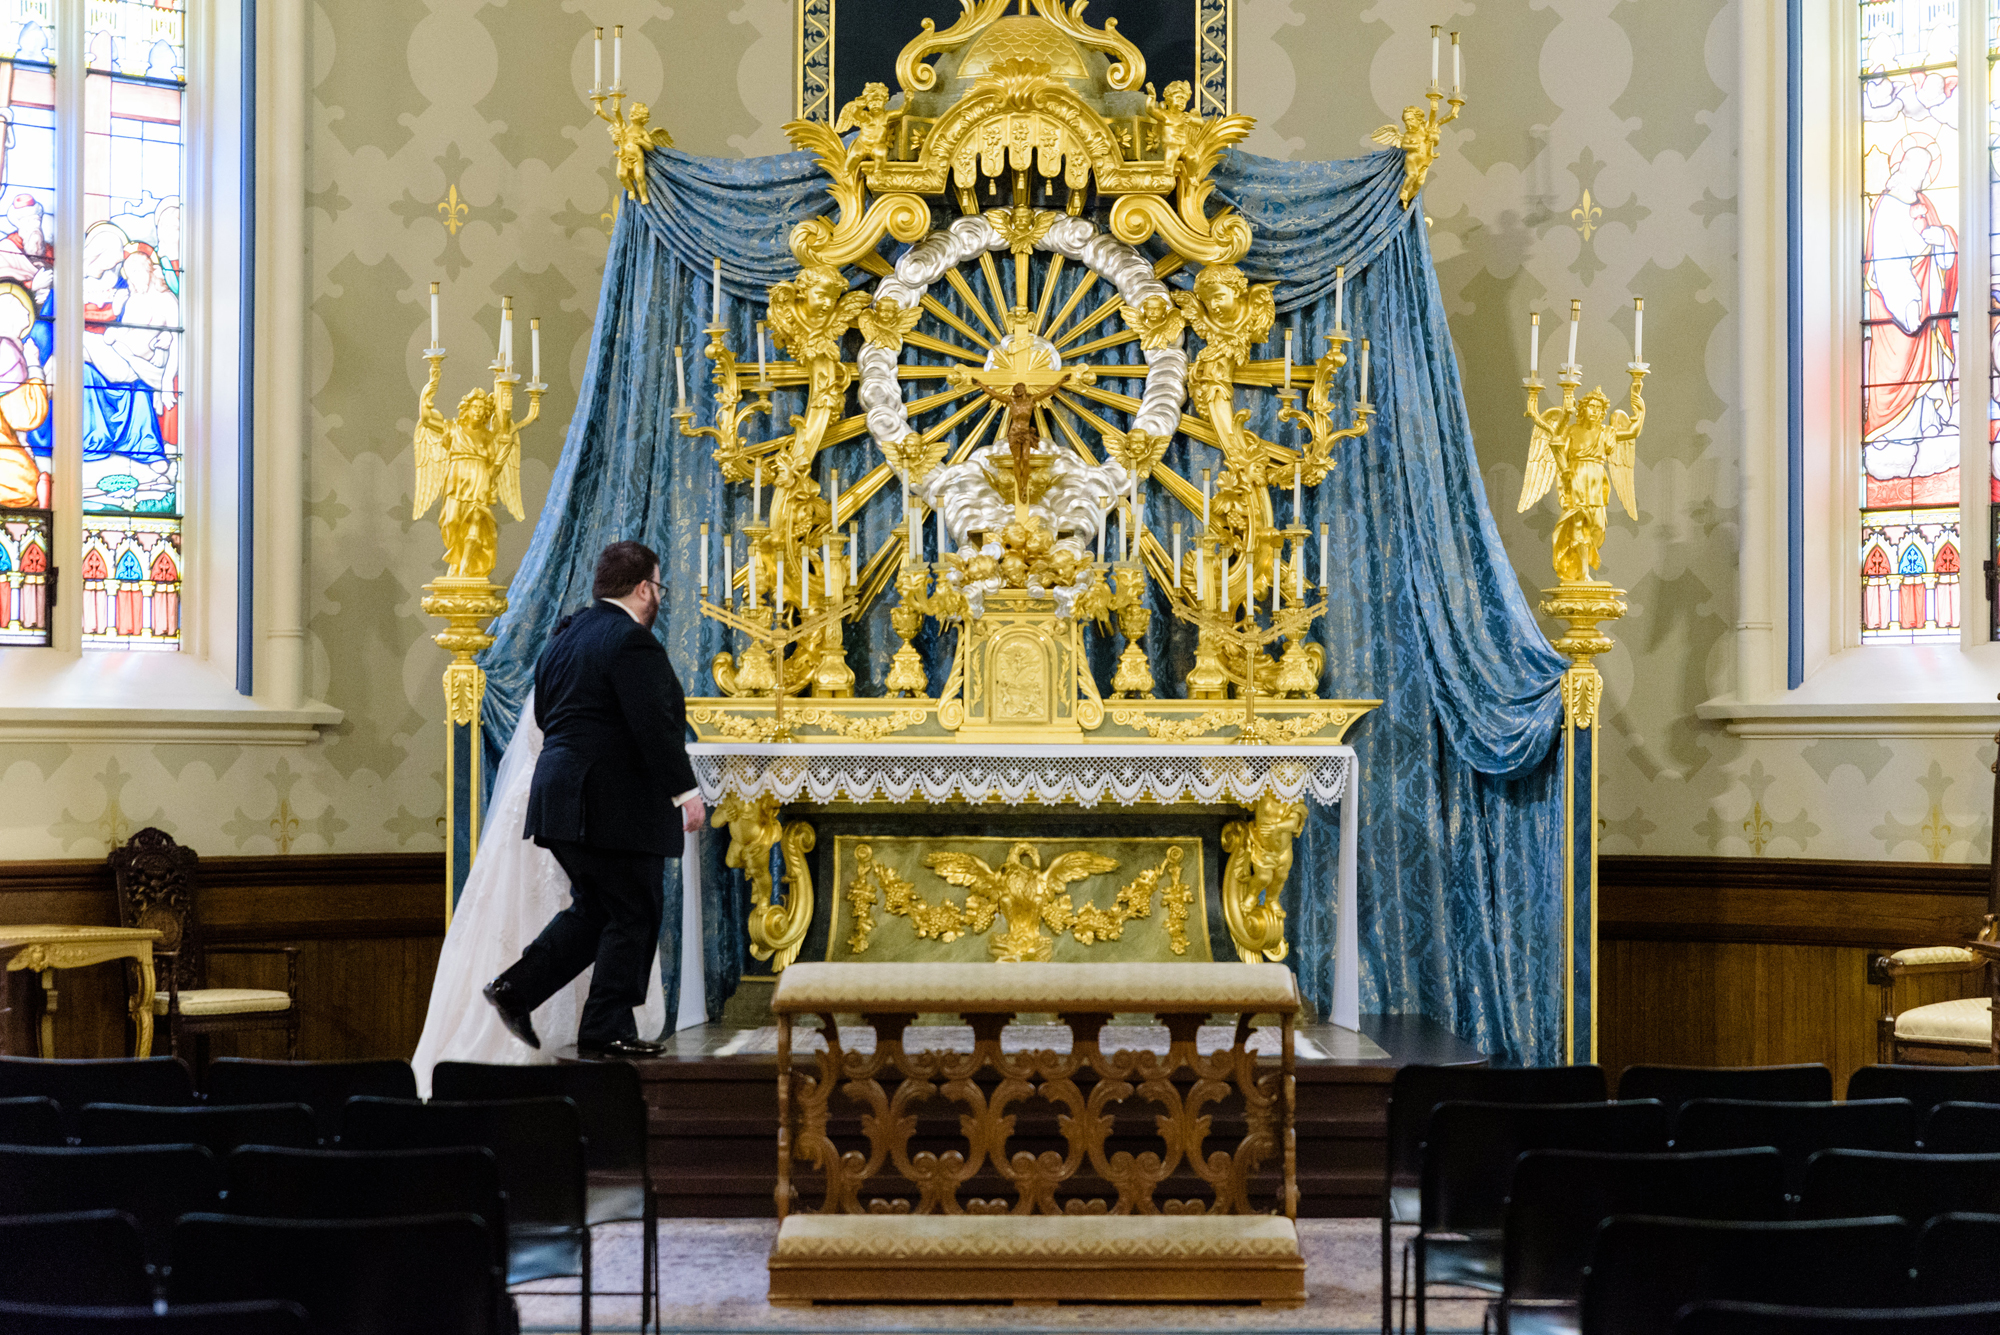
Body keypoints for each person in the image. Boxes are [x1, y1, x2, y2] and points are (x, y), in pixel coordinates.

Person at [482, 540, 706, 1059]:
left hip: (559, 801)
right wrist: (686, 793)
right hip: (612, 808)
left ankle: (516, 989)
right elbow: (654, 727)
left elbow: (545, 718)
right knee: (634, 912)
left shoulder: (562, 639)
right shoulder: (630, 641)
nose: (659, 599)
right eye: (658, 587)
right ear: (644, 587)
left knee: (599, 910)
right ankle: (605, 1027)